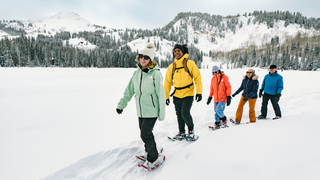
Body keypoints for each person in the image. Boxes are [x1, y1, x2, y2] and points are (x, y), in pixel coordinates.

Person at [116, 43, 165, 170]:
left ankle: (153, 157)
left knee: (145, 134)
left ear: (150, 60)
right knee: (144, 133)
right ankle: (149, 151)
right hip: (141, 110)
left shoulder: (156, 74)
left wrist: (161, 113)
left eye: (146, 57)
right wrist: (122, 104)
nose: (143, 59)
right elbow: (129, 90)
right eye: (141, 56)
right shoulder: (136, 73)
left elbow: (161, 94)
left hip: (152, 110)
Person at [164, 44, 203, 141]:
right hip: (176, 94)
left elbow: (197, 78)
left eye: (179, 51)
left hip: (188, 93)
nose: (177, 52)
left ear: (183, 52)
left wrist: (199, 92)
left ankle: (191, 131)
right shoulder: (171, 66)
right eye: (175, 51)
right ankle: (181, 132)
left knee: (185, 113)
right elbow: (167, 82)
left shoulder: (190, 63)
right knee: (179, 114)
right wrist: (166, 96)